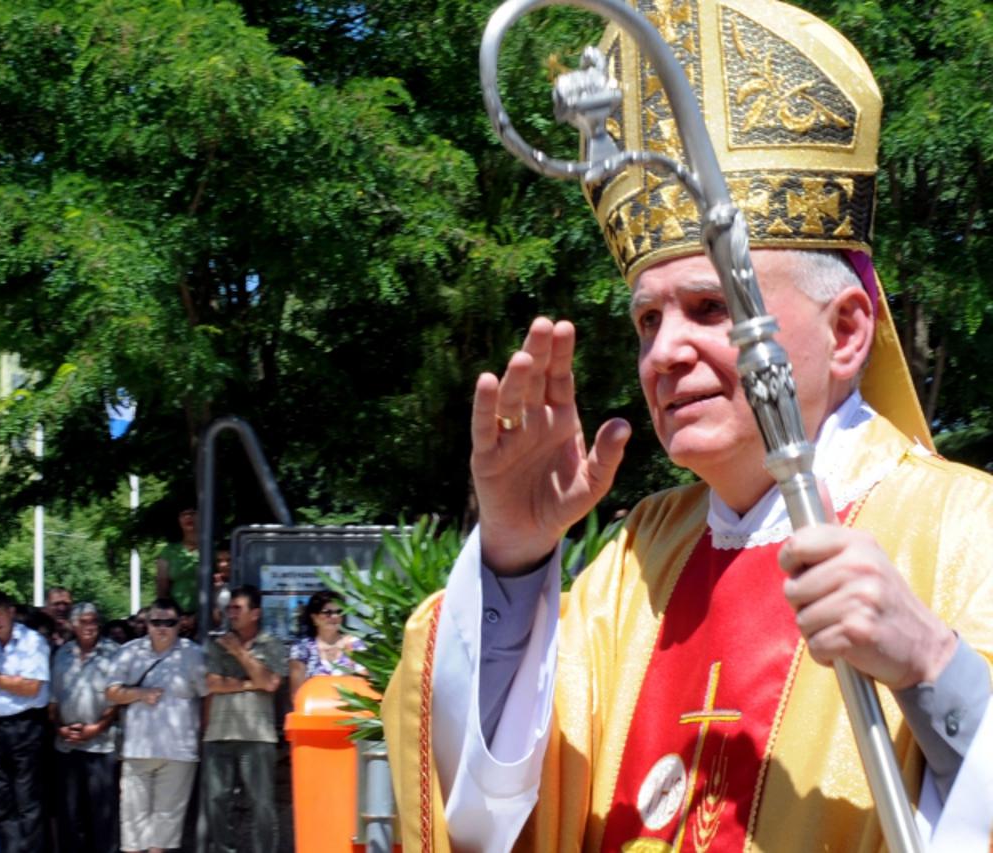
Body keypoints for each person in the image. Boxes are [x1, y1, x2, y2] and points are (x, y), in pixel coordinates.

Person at [381, 2, 993, 849]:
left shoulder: (969, 537)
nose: (666, 351)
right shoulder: (632, 567)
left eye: (711, 306)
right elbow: (488, 812)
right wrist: (515, 560)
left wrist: (935, 668)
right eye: (646, 321)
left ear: (847, 332)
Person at [107, 598, 207, 853]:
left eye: (169, 622)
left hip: (179, 753)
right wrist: (140, 693)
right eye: (156, 622)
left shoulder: (194, 654)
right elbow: (112, 692)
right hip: (137, 751)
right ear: (147, 624)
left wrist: (200, 735)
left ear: (179, 624)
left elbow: (209, 695)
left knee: (163, 833)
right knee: (132, 828)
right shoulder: (129, 651)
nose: (162, 628)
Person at [201, 585, 287, 853]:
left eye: (238, 608)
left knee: (261, 803)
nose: (232, 613)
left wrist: (239, 653)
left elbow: (271, 683)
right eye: (230, 608)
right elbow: (213, 684)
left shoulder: (272, 644)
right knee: (216, 801)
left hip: (257, 736)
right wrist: (251, 683)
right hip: (218, 733)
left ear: (256, 613)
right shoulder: (216, 645)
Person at [0, 589, 51, 852]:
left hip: (25, 726)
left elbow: (31, 687)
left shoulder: (32, 641)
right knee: (1, 800)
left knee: (28, 799)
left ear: (11, 612)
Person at [49, 603, 119, 853]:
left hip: (101, 746)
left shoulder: (114, 653)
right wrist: (59, 728)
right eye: (83, 622)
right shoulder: (61, 654)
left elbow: (117, 701)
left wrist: (97, 727)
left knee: (102, 817)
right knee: (70, 816)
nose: (89, 627)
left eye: (93, 621)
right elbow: (53, 700)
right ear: (72, 625)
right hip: (67, 747)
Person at [288, 591, 367, 701]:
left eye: (339, 612)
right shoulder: (302, 648)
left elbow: (363, 685)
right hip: (315, 712)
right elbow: (297, 694)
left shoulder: (354, 644)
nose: (334, 617)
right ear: (314, 618)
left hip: (348, 712)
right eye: (327, 612)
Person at [155, 508, 199, 617]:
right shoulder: (168, 551)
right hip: (177, 616)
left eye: (192, 513)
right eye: (183, 514)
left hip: (207, 615)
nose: (188, 517)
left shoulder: (211, 549)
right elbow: (162, 589)